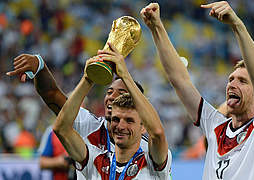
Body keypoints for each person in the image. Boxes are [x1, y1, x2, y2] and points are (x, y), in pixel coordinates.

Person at [140, 2, 254, 179]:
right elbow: (180, 80)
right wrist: (157, 28)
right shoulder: (214, 124)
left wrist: (237, 25)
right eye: (231, 79)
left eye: (242, 81)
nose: (232, 84)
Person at [6, 53, 148, 179]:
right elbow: (52, 95)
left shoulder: (149, 150)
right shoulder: (89, 125)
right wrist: (40, 67)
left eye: (121, 93)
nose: (111, 97)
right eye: (109, 92)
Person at [52, 43, 172, 179]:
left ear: (143, 126)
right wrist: (88, 79)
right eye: (115, 119)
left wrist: (125, 75)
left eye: (129, 121)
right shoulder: (94, 157)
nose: (120, 126)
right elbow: (61, 129)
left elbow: (157, 133)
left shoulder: (151, 159)